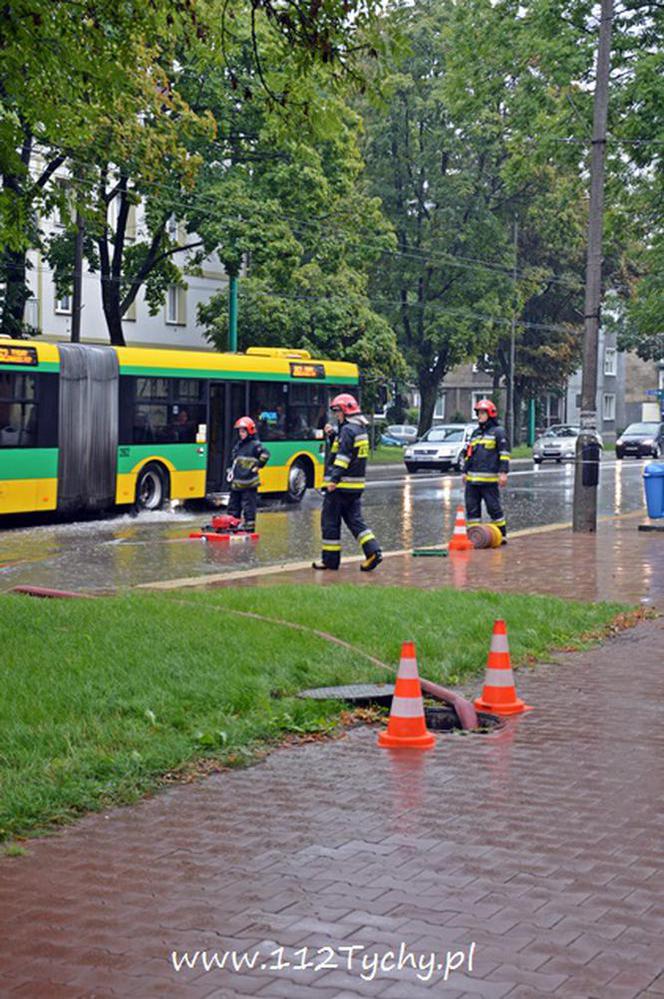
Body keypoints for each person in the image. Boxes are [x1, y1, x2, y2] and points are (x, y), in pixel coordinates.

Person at [312, 393, 382, 572]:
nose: (336, 416)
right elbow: (347, 450)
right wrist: (333, 436)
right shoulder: (359, 430)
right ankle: (373, 551)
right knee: (355, 521)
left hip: (340, 487)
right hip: (355, 487)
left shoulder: (347, 431)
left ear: (344, 411)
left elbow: (342, 458)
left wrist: (333, 480)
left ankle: (330, 561)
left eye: (337, 412)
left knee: (330, 522)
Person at [462, 398, 510, 542]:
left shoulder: (498, 432)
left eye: (482, 413)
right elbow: (469, 454)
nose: (479, 416)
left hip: (489, 481)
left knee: (493, 508)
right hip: (472, 481)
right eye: (478, 413)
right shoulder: (476, 433)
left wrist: (503, 473)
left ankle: (501, 535)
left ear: (490, 414)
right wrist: (465, 471)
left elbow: (504, 454)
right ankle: (474, 537)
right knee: (472, 510)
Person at [227, 416, 270, 533]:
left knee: (248, 507)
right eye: (240, 431)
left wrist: (258, 466)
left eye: (243, 431)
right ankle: (232, 525)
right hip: (237, 483)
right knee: (233, 506)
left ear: (250, 431)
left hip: (249, 483)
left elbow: (266, 454)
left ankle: (249, 529)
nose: (241, 434)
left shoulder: (255, 445)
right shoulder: (238, 445)